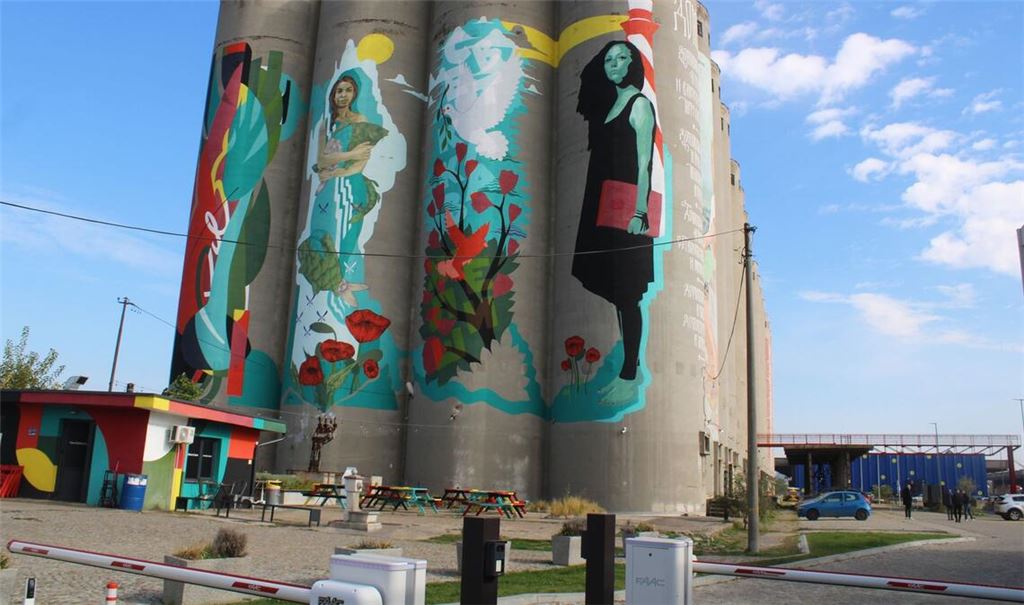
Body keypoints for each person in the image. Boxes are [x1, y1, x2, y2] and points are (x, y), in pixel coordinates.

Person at [572, 40, 657, 404]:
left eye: (622, 58)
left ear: (633, 64)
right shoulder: (609, 105)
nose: (614, 64)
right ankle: (627, 360)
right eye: (609, 59)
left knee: (628, 292)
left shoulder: (639, 105)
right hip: (602, 202)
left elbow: (644, 163)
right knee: (611, 286)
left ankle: (629, 370)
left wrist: (640, 213)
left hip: (626, 209)